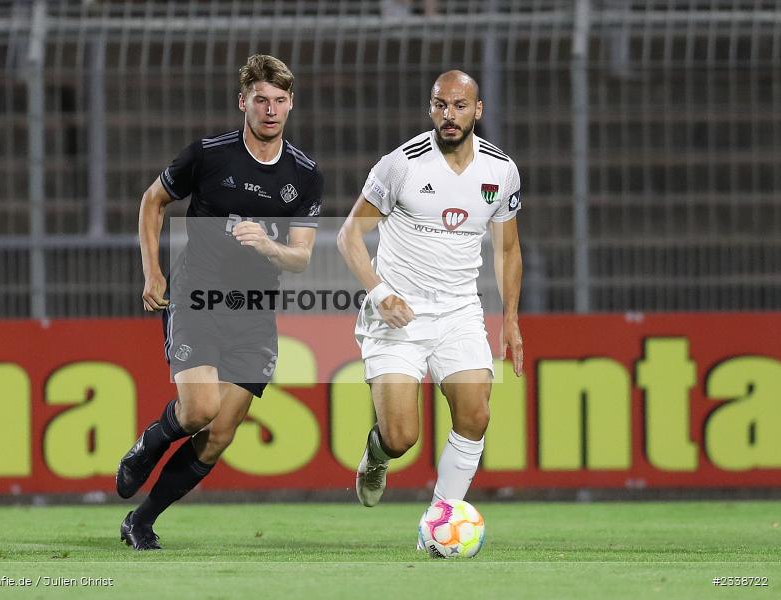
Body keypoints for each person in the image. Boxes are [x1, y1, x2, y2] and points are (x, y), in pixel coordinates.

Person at [117, 54, 323, 550]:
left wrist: (268, 245)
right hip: (197, 297)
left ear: (291, 104)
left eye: (278, 101)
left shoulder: (306, 175)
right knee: (199, 410)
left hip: (254, 311)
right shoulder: (208, 156)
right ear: (243, 102)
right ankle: (149, 443)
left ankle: (141, 521)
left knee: (220, 434)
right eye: (260, 100)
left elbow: (300, 259)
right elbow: (153, 201)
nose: (270, 110)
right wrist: (152, 270)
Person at [337, 70, 523, 517]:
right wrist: (381, 294)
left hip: (459, 311)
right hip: (397, 314)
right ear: (431, 109)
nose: (449, 115)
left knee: (476, 415)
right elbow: (349, 236)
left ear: (477, 110)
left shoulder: (501, 170)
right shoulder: (401, 164)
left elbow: (509, 248)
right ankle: (377, 456)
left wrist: (511, 320)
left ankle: (440, 519)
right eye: (441, 105)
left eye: (460, 106)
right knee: (401, 437)